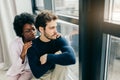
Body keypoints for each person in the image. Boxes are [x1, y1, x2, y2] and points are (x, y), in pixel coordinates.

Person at [27, 10, 76, 80]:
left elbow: (72, 59)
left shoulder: (59, 38)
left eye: (55, 27)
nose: (56, 31)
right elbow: (37, 73)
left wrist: (48, 57)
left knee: (61, 53)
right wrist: (54, 59)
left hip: (58, 75)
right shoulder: (32, 46)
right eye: (51, 28)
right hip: (42, 77)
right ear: (41, 29)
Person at [6, 13, 36, 80]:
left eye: (33, 29)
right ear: (21, 32)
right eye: (28, 31)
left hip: (29, 70)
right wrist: (23, 53)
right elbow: (16, 67)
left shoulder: (38, 41)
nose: (32, 32)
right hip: (16, 70)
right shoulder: (14, 44)